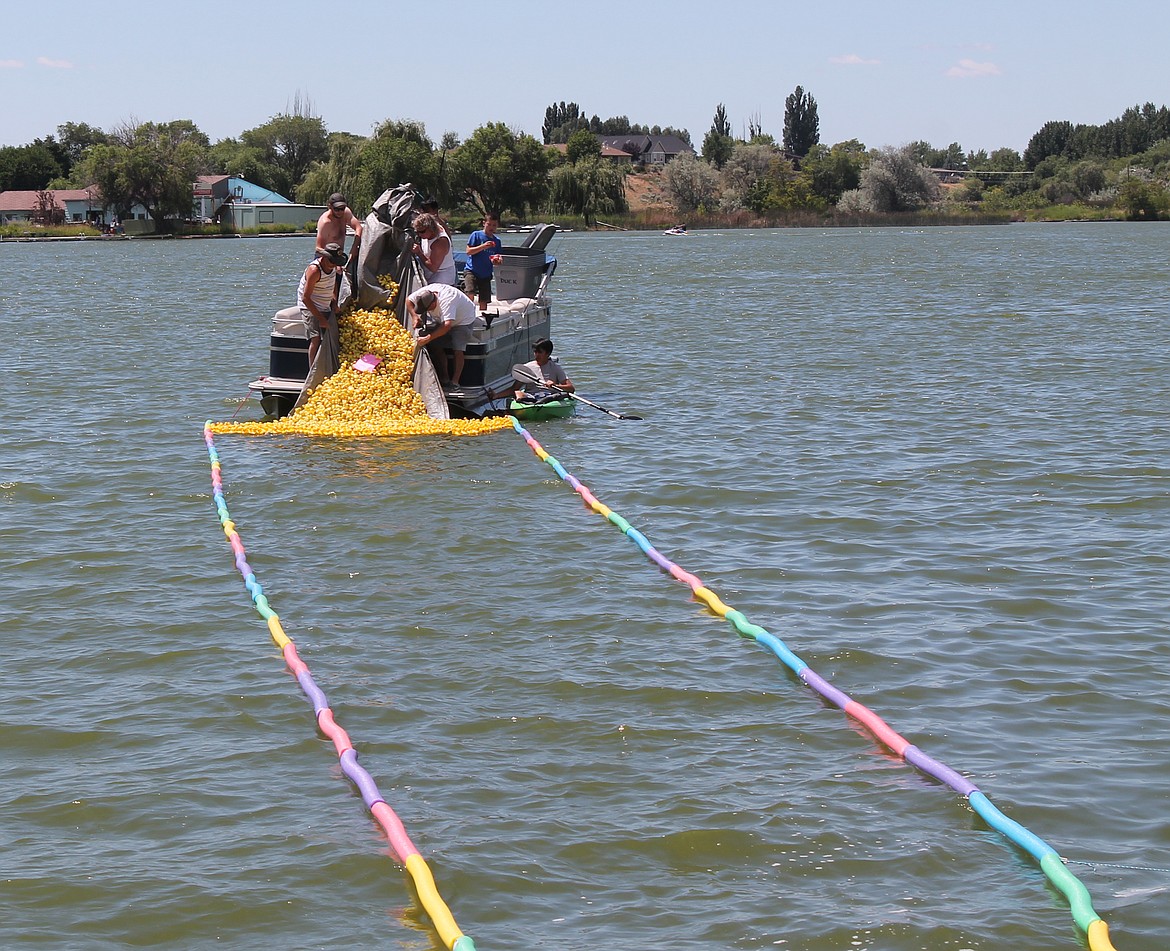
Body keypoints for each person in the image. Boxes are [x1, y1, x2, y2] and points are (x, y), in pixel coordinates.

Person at [405, 282, 478, 387]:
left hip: (463, 320)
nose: (426, 312)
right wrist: (414, 316)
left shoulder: (447, 302)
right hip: (443, 319)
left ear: (433, 303)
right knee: (436, 345)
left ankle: (455, 382)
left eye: (427, 309)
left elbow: (446, 326)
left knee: (458, 348)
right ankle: (444, 377)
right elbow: (408, 300)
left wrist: (428, 338)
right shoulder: (423, 293)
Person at [299, 242, 348, 368]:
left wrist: (335, 301)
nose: (333, 265)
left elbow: (333, 284)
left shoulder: (333, 268)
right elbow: (306, 297)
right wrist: (320, 319)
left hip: (325, 304)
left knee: (332, 335)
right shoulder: (315, 270)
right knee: (315, 338)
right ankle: (313, 371)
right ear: (324, 258)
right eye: (332, 262)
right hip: (310, 306)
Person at [463, 212, 503, 314]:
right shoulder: (476, 235)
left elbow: (498, 257)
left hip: (485, 273)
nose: (491, 227)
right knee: (470, 292)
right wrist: (483, 246)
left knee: (484, 299)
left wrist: (497, 261)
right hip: (472, 270)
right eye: (489, 224)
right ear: (484, 223)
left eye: (494, 225)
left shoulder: (497, 241)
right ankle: (467, 314)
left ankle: (482, 316)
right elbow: (468, 251)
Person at [411, 212, 457, 286]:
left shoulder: (440, 242)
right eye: (417, 232)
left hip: (442, 277)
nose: (419, 234)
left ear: (431, 228)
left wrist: (419, 253)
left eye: (422, 231)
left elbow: (433, 267)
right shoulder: (427, 233)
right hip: (429, 274)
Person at [316, 192, 363, 262]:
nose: (340, 211)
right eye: (337, 209)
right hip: (324, 259)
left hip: (339, 257)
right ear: (330, 207)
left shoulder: (346, 213)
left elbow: (358, 228)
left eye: (342, 208)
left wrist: (354, 248)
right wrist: (333, 262)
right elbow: (319, 248)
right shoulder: (325, 222)